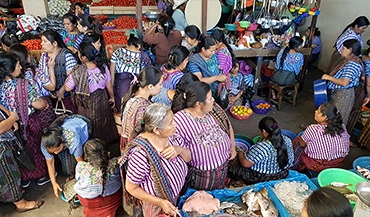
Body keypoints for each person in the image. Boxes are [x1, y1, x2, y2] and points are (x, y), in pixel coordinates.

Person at [120, 103, 190, 217]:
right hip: (157, 207)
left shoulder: (173, 136)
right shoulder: (140, 154)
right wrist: (161, 202)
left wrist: (179, 150)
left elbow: (188, 158)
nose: (175, 125)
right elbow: (131, 187)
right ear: (157, 130)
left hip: (177, 197)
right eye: (171, 123)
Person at [172, 81, 236, 191]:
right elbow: (184, 157)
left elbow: (228, 124)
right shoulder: (179, 121)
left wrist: (233, 147)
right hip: (201, 177)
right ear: (199, 104)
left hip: (222, 170)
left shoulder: (214, 110)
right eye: (210, 98)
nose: (213, 100)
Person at [0, 52, 49, 188]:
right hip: (29, 123)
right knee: (35, 148)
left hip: (11, 126)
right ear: (10, 70)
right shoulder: (23, 84)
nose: (21, 67)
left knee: (19, 149)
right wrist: (45, 103)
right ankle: (41, 175)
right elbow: (38, 104)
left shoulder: (0, 86)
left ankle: (25, 178)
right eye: (18, 65)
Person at [60, 43, 119, 144]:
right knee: (103, 123)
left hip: (85, 103)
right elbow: (109, 86)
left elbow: (68, 88)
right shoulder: (103, 67)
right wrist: (112, 98)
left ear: (83, 58)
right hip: (102, 100)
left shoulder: (78, 71)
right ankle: (105, 144)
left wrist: (68, 79)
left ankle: (90, 146)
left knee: (88, 124)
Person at [0, 105, 44, 212]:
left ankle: (15, 192)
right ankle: (20, 203)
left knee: (12, 170)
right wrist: (12, 118)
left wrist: (9, 118)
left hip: (5, 137)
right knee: (7, 175)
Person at [9, 43, 56, 138]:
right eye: (28, 54)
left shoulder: (11, 78)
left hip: (22, 116)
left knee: (32, 139)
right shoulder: (35, 72)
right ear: (25, 57)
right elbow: (52, 87)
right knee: (49, 137)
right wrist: (51, 68)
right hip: (42, 108)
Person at [228, 117, 293, 185]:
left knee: (233, 162)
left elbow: (245, 164)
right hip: (282, 173)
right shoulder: (287, 140)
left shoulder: (262, 147)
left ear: (264, 132)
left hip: (263, 177)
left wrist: (240, 153)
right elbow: (291, 159)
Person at [41, 114, 91, 198]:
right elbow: (50, 163)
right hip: (67, 130)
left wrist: (85, 181)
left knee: (81, 159)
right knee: (68, 167)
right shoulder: (45, 143)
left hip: (81, 124)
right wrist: (54, 183)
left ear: (62, 140)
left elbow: (81, 163)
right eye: (53, 152)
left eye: (57, 149)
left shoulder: (73, 141)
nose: (56, 153)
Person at [294, 102, 350, 173]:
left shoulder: (312, 129)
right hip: (338, 163)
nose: (315, 112)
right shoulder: (342, 126)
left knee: (297, 141)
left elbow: (302, 144)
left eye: (318, 111)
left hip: (318, 165)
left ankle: (297, 165)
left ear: (325, 117)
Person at [120, 66, 163, 152]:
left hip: (126, 145)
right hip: (137, 148)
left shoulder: (131, 97)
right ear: (150, 86)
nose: (161, 87)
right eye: (160, 84)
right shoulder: (143, 107)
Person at [75, 139, 122, 217]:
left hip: (88, 201)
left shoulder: (80, 166)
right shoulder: (116, 163)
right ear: (108, 154)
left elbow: (78, 179)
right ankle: (109, 212)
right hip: (112, 199)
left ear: (87, 158)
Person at [322, 39, 363, 125]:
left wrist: (328, 77)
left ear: (350, 50)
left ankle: (329, 137)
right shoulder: (353, 61)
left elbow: (344, 82)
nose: (341, 50)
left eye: (344, 48)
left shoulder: (352, 64)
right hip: (341, 93)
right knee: (332, 115)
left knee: (336, 118)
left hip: (343, 95)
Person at [110, 34, 152, 112]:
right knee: (133, 110)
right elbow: (147, 76)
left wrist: (112, 89)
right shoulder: (144, 57)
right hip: (136, 89)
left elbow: (112, 73)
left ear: (127, 44)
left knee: (122, 109)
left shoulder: (117, 52)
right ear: (138, 45)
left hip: (120, 87)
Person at [38, 30, 78, 113]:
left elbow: (72, 76)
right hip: (49, 96)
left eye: (45, 41)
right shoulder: (43, 56)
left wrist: (61, 91)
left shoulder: (66, 55)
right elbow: (41, 75)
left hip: (66, 96)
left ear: (55, 44)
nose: (42, 44)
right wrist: (49, 90)